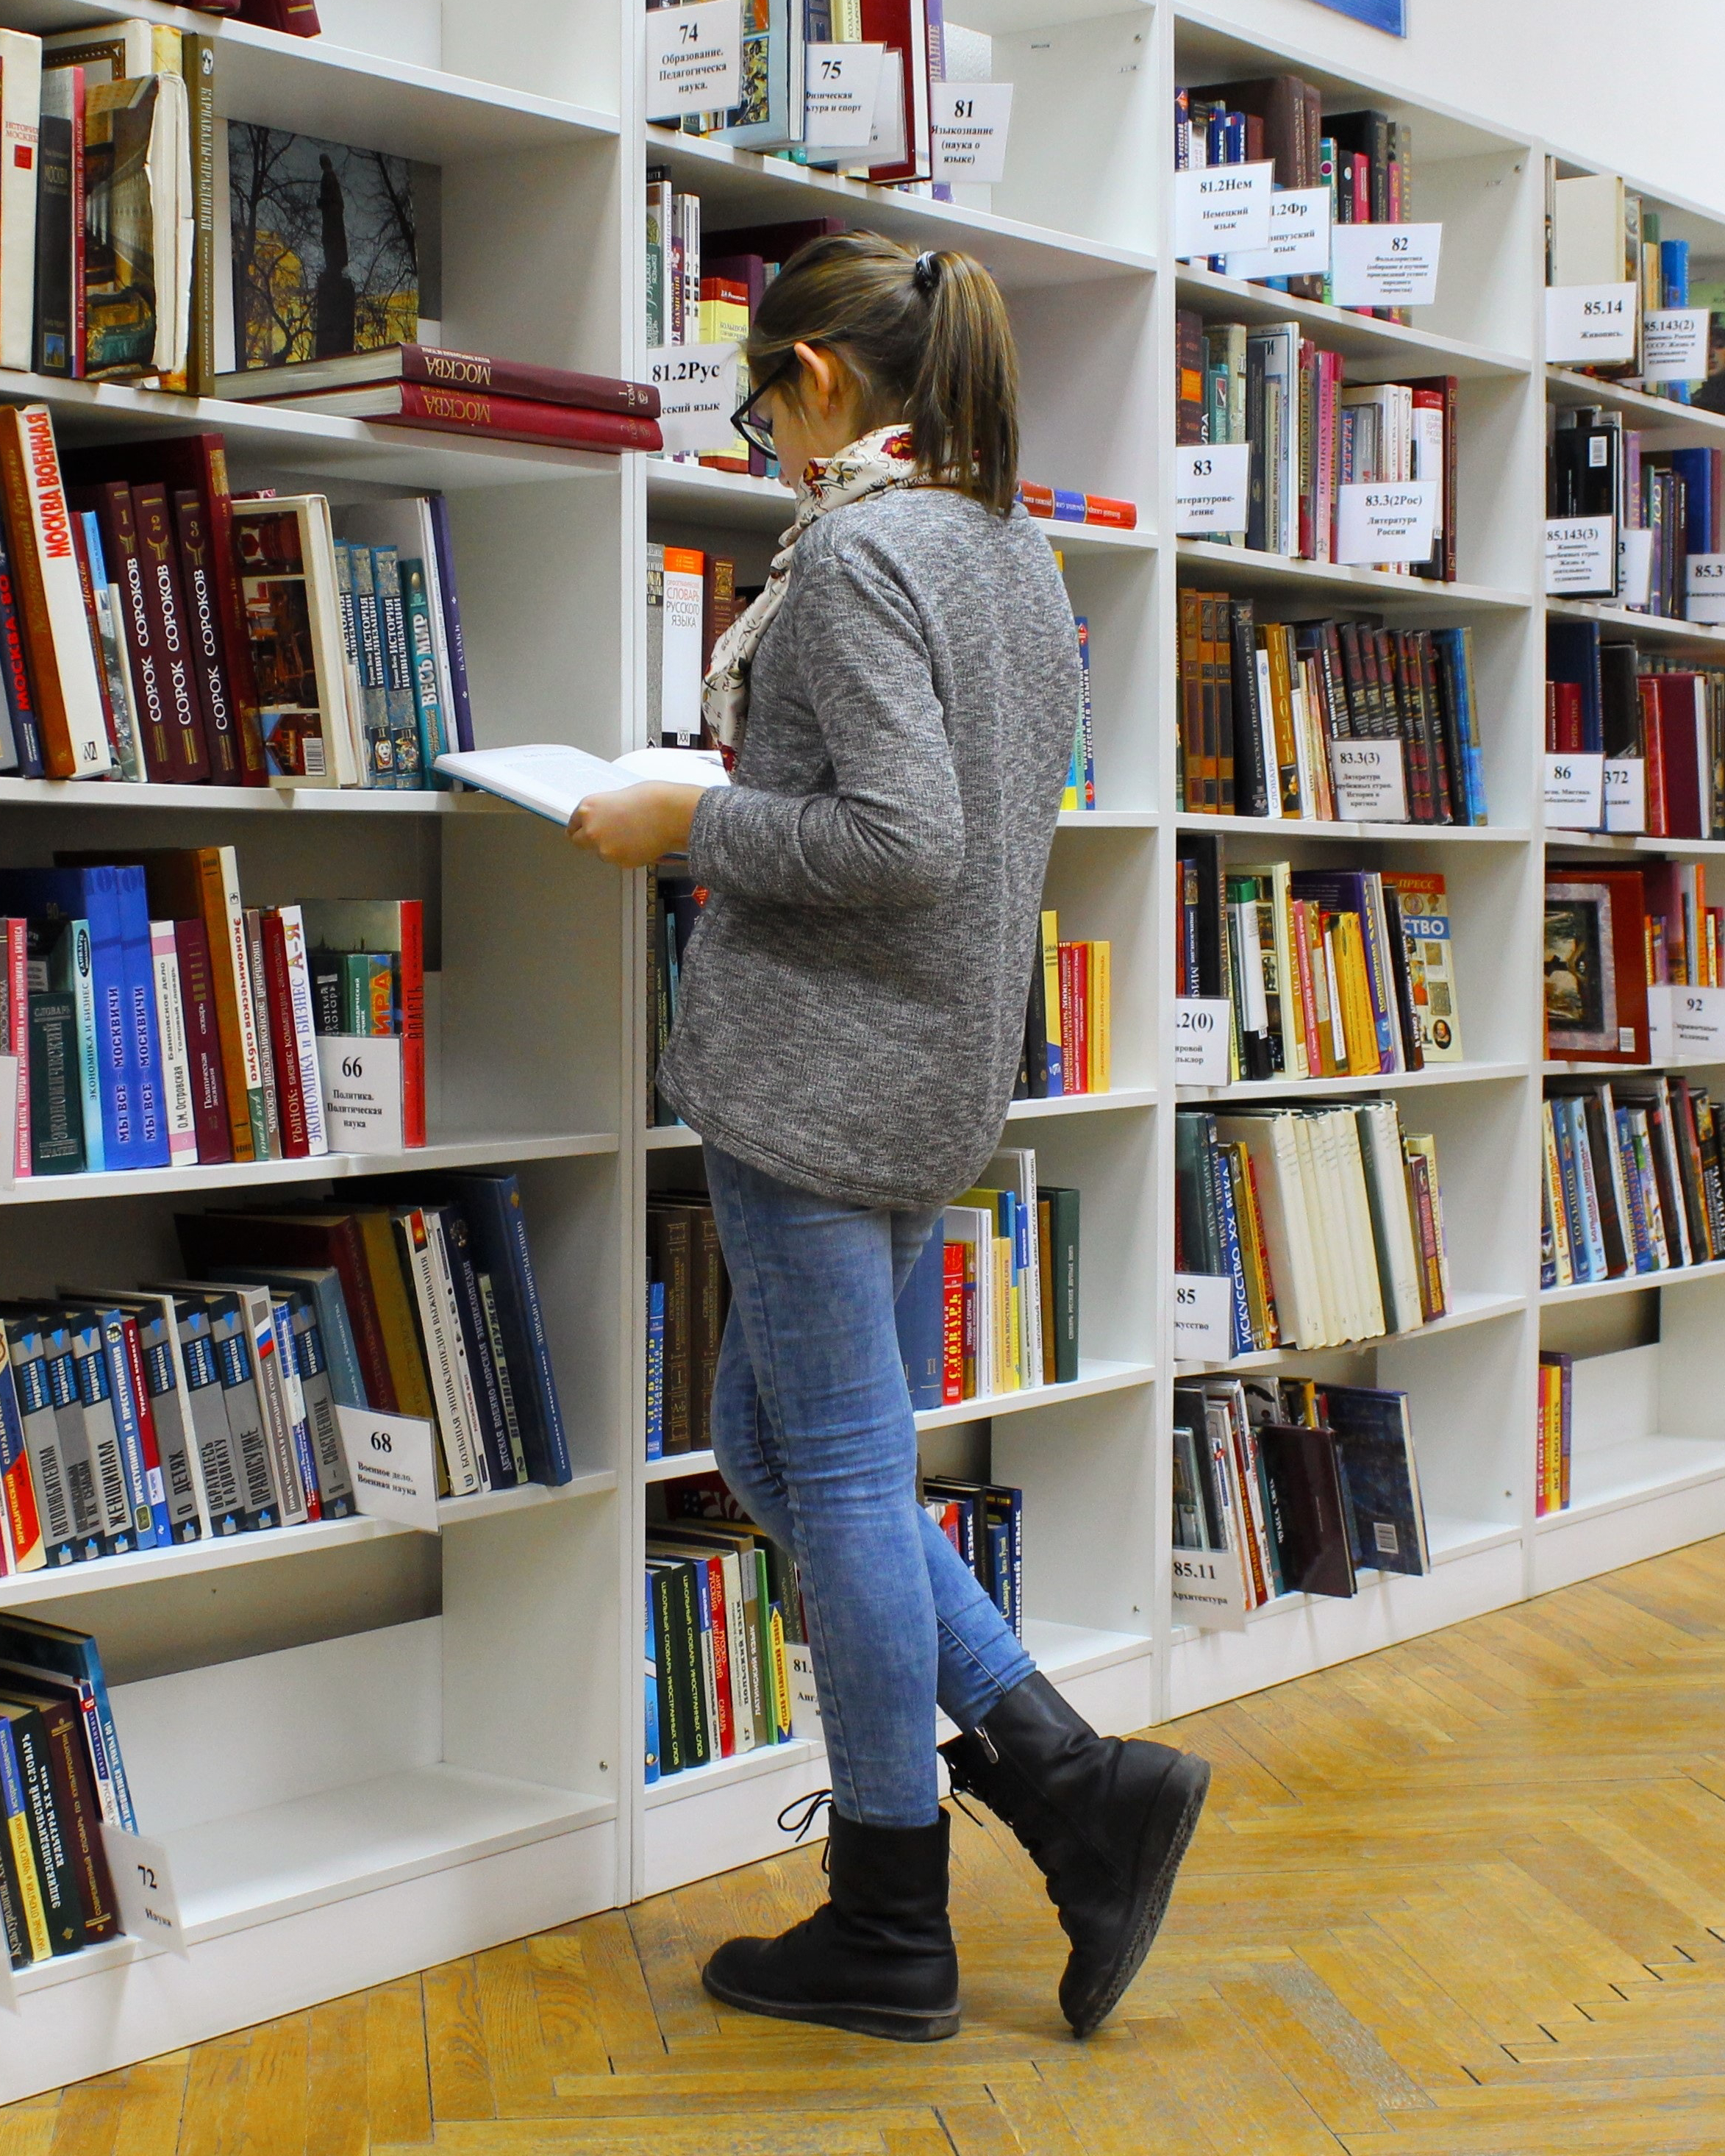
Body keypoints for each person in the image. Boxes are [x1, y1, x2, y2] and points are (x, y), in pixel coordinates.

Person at [569, 235, 1208, 2044]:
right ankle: (1066, 1772)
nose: (761, 438)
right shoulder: (1010, 551)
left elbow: (899, 839)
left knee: (834, 1472)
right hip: (929, 1066)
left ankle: (888, 1911)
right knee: (765, 1441)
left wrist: (682, 819)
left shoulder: (853, 553)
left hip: (819, 1072)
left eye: (760, 401)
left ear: (821, 385)